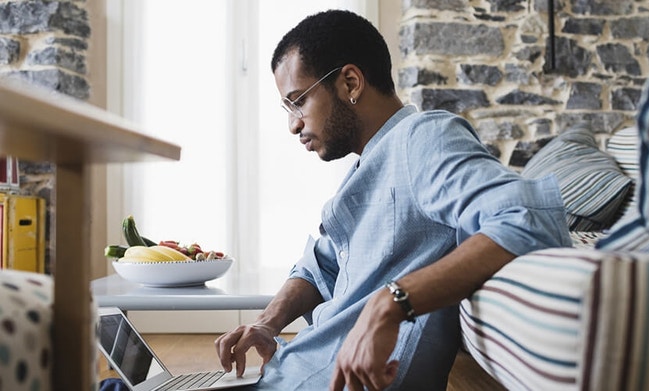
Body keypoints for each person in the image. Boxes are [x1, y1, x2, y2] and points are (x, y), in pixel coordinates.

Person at [214, 9, 571, 391]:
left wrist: (392, 301)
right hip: (290, 369)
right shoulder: (368, 165)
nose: (294, 124)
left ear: (350, 82)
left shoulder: (425, 137)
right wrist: (266, 323)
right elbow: (319, 265)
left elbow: (529, 217)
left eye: (298, 100)